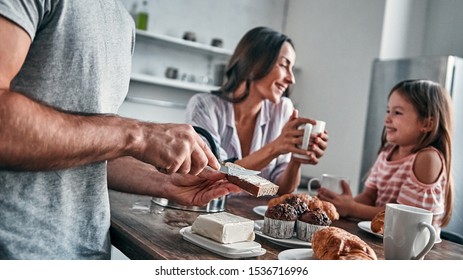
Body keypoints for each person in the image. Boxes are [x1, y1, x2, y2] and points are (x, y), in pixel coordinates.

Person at [0, 0, 240, 259]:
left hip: (87, 252)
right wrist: (139, 135)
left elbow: (89, 149)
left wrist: (166, 182)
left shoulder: (123, 23)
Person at [185, 27, 328, 195]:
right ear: (254, 63)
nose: (291, 78)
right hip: (210, 212)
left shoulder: (283, 109)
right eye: (283, 65)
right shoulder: (203, 106)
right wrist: (274, 148)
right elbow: (214, 175)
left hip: (254, 217)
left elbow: (282, 189)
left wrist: (296, 160)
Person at [318, 79, 454, 235]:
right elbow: (369, 196)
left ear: (427, 124)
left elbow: (403, 217)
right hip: (385, 239)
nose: (387, 119)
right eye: (388, 111)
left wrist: (351, 208)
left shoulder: (427, 159)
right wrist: (339, 204)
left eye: (397, 112)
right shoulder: (387, 152)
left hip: (415, 249)